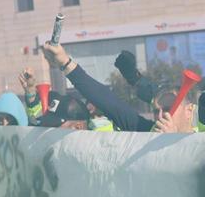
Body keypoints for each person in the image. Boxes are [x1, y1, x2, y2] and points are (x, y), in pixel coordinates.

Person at [40, 42, 196, 132]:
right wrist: (64, 62)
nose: (160, 116)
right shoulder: (146, 130)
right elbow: (105, 99)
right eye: (156, 111)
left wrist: (174, 143)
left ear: (189, 111)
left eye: (168, 109)